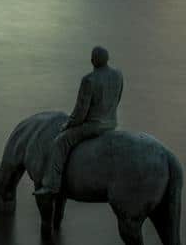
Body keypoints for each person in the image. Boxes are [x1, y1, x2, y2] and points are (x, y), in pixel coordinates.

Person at [34, 46, 123, 196]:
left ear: (93, 60)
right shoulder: (118, 75)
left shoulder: (89, 80)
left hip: (93, 126)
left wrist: (67, 124)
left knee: (60, 141)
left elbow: (80, 113)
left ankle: (51, 184)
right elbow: (117, 99)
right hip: (111, 124)